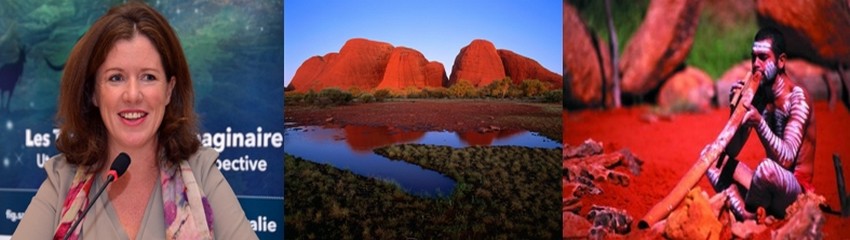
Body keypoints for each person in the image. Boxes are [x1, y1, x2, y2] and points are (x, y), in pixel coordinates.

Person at [13, 2, 257, 239]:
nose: (132, 95)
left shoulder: (201, 171)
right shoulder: (63, 180)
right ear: (93, 93)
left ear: (169, 90)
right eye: (116, 78)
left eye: (148, 77)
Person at [704, 27, 816, 220]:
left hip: (795, 190)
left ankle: (748, 213)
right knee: (710, 156)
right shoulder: (760, 96)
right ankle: (752, 216)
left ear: (781, 61)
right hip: (767, 184)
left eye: (763, 58)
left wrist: (760, 123)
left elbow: (787, 159)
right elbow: (731, 151)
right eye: (753, 57)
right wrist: (735, 112)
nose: (756, 64)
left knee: (766, 169)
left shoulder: (797, 98)